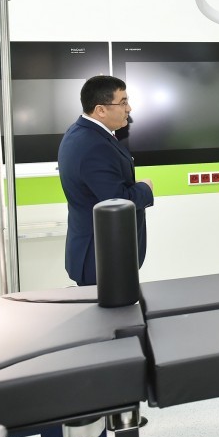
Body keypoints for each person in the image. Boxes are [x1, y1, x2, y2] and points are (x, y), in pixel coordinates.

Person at [59, 75, 154, 286]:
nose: (129, 108)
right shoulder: (94, 145)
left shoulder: (80, 132)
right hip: (102, 257)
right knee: (108, 308)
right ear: (101, 110)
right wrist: (145, 188)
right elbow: (117, 201)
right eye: (123, 102)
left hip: (97, 252)